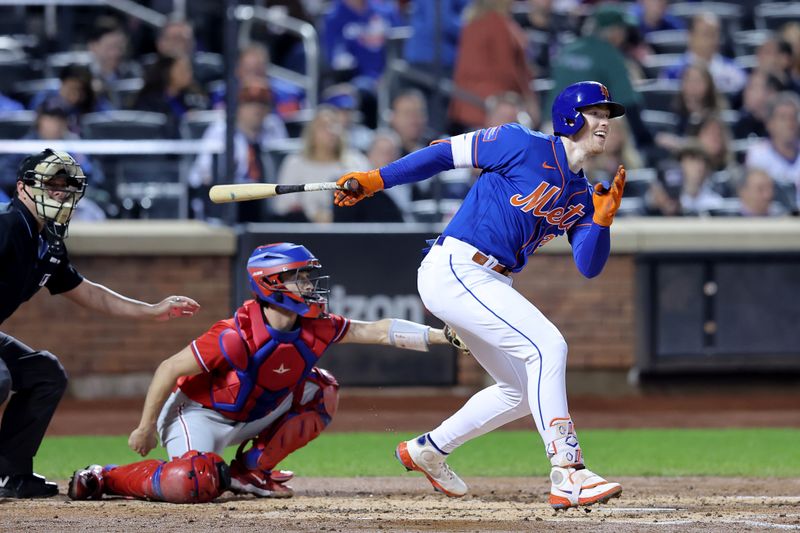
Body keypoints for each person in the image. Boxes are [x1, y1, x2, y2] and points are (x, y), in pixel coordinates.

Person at [333, 81, 627, 509]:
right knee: (548, 346)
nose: (604, 123)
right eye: (596, 113)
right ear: (569, 117)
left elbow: (589, 265)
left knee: (520, 391)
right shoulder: (519, 142)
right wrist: (375, 179)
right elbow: (441, 154)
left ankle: (429, 448)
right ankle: (569, 472)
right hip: (457, 266)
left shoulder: (582, 195)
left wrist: (601, 222)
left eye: (607, 115)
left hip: (490, 280)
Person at [67, 242, 466, 503]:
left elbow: (375, 331)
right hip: (200, 414)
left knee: (321, 389)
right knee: (192, 481)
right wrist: (145, 426)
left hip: (256, 410)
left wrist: (441, 335)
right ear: (272, 283)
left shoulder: (316, 324)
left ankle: (249, 473)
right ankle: (106, 477)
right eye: (299, 276)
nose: (309, 284)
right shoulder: (235, 335)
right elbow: (169, 368)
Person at [0, 149, 200, 498]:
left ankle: (9, 475)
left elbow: (88, 293)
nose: (60, 191)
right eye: (51, 183)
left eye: (66, 184)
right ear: (22, 188)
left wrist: (151, 310)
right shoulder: (7, 226)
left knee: (45, 374)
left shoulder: (48, 242)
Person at [272, 106, 369, 223]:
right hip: (304, 229)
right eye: (323, 126)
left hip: (347, 227)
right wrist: (313, 215)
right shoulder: (295, 163)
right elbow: (284, 205)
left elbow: (369, 200)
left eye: (334, 125)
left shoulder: (356, 161)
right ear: (311, 134)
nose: (331, 130)